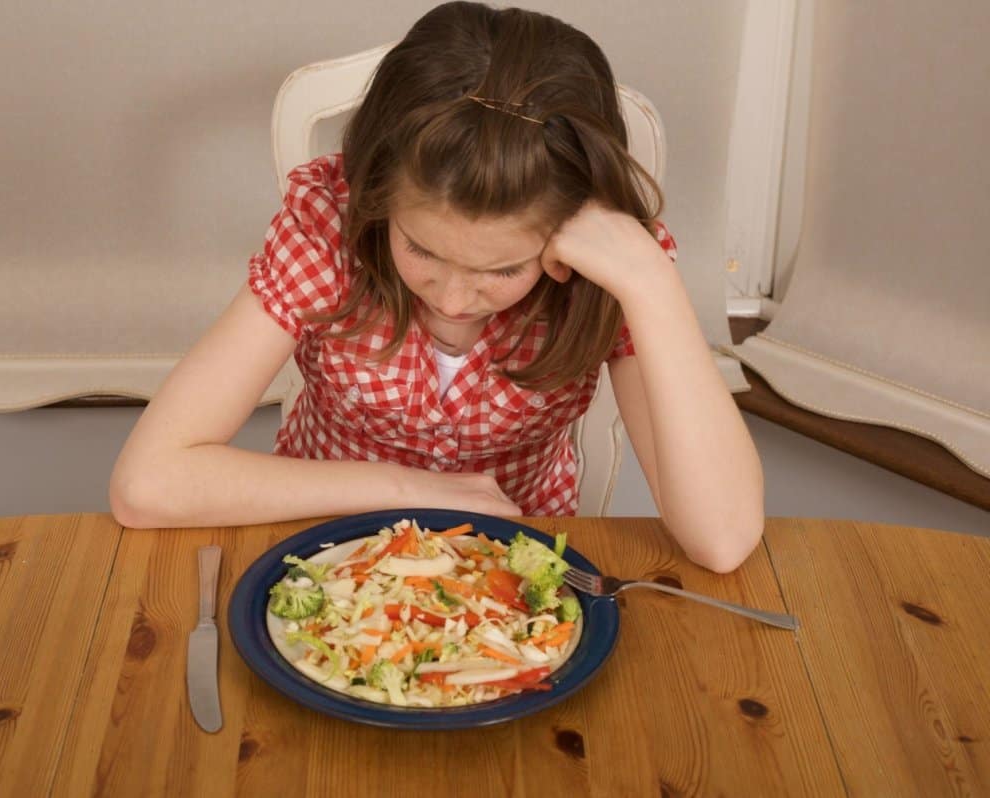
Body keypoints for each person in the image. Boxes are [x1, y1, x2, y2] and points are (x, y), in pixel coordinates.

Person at [110, 1, 764, 572]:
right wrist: (406, 491)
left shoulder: (614, 272)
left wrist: (651, 279)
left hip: (514, 563)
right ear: (374, 199)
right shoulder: (327, 229)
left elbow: (724, 539)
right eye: (420, 249)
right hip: (326, 545)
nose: (451, 300)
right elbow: (148, 483)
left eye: (502, 270)